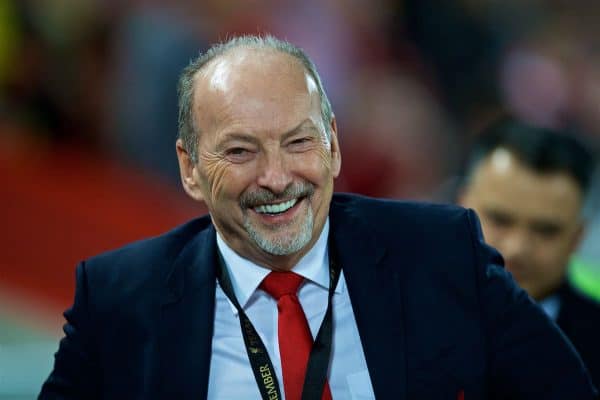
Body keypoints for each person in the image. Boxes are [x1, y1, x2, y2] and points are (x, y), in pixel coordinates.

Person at [39, 35, 596, 400]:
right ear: (189, 168)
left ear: (332, 145)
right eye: (239, 151)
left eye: (298, 141)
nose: (277, 177)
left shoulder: (441, 255)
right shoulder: (118, 299)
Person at [458, 117, 600, 387]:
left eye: (546, 230)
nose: (518, 248)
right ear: (461, 206)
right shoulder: (401, 317)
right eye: (500, 219)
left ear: (577, 237)